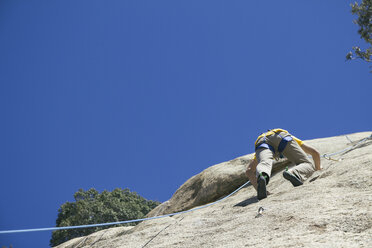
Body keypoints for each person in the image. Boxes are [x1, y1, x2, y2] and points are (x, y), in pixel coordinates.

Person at [245, 128, 321, 200]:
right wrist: (318, 168)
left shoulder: (263, 137)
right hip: (281, 136)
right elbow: (315, 153)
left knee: (264, 163)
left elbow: (249, 171)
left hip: (261, 142)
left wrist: (260, 190)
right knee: (307, 163)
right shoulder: (291, 137)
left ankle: (262, 175)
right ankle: (293, 172)